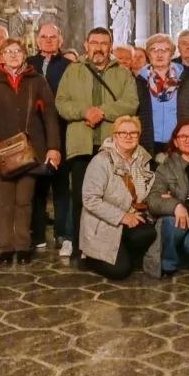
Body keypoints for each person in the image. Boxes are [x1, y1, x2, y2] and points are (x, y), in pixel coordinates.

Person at [56, 27, 138, 258]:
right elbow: (61, 103)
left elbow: (131, 103)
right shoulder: (73, 71)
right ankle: (80, 245)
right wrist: (85, 112)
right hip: (81, 145)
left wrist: (101, 112)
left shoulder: (122, 73)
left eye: (104, 43)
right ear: (86, 45)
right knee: (82, 195)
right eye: (94, 42)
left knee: (109, 196)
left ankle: (106, 244)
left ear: (110, 46)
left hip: (111, 147)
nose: (99, 47)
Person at [0, 38, 61, 264]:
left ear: (24, 54)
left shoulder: (37, 80)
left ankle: (23, 246)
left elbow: (49, 116)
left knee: (24, 201)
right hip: (1, 152)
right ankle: (6, 247)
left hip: (30, 151)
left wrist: (53, 148)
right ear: (1, 56)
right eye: (8, 51)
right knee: (5, 202)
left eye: (17, 51)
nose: (13, 55)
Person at [79, 116, 156, 279]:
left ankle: (125, 251)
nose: (128, 136)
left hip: (132, 217)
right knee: (120, 272)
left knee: (149, 232)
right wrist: (122, 216)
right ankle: (91, 258)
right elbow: (90, 200)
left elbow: (145, 191)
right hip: (104, 223)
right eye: (123, 133)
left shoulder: (143, 159)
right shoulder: (101, 161)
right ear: (114, 136)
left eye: (133, 133)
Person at [147, 120, 189, 275]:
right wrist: (175, 205)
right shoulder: (166, 167)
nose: (188, 139)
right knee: (170, 221)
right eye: (183, 136)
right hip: (181, 218)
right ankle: (168, 265)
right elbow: (154, 199)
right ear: (176, 142)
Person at [27, 24, 72, 253]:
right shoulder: (28, 64)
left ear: (60, 40)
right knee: (36, 185)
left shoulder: (70, 66)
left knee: (61, 186)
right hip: (34, 134)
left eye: (52, 37)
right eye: (43, 37)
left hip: (62, 132)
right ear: (37, 40)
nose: (48, 40)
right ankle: (37, 233)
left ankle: (63, 232)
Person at [136, 33, 189, 156]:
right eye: (154, 50)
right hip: (147, 143)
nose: (159, 54)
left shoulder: (184, 79)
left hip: (179, 142)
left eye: (165, 50)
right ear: (148, 55)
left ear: (171, 54)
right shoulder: (140, 80)